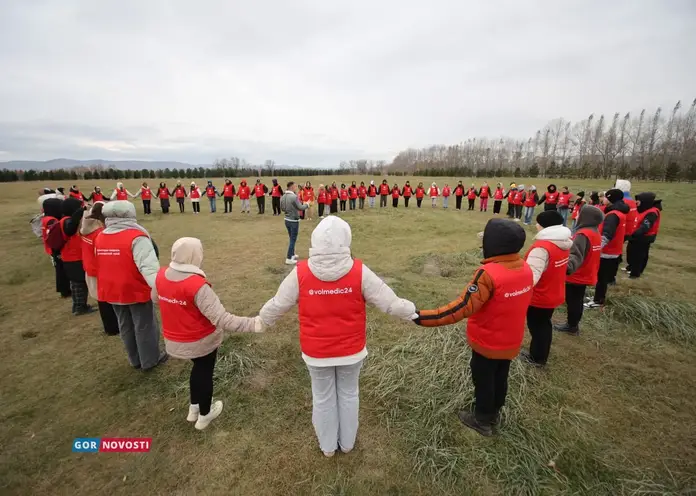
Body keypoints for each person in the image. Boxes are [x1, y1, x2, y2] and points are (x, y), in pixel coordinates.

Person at [259, 216, 417, 456]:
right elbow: (391, 303)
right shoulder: (359, 271)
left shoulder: (299, 273)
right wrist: (413, 312)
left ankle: (328, 447)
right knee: (348, 393)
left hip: (316, 352)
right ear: (347, 239)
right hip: (351, 351)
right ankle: (347, 443)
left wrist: (262, 319)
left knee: (322, 398)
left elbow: (278, 303)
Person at [413, 219, 533, 436]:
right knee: (500, 375)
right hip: (511, 340)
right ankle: (495, 410)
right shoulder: (525, 267)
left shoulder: (488, 274)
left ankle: (482, 419)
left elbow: (461, 308)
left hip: (487, 342)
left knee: (484, 379)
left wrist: (421, 317)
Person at [157, 237, 263, 430]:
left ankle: (194, 408)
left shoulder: (161, 275)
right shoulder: (196, 286)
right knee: (204, 372)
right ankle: (205, 414)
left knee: (197, 369)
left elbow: (156, 298)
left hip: (174, 338)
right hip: (200, 340)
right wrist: (254, 324)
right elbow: (222, 319)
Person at [95, 201, 167, 371]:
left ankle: (134, 359)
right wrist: (161, 290)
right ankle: (150, 360)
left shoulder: (101, 236)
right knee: (144, 324)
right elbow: (149, 268)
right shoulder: (136, 237)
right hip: (134, 289)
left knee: (125, 324)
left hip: (111, 289)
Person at [519, 211, 572, 367]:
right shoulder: (564, 242)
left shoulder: (542, 248)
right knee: (544, 324)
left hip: (540, 296)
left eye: (538, 222)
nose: (536, 225)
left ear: (543, 225)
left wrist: (518, 290)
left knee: (537, 327)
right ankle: (540, 354)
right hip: (554, 291)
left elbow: (532, 276)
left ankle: (537, 358)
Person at [555, 205, 603, 335]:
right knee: (578, 300)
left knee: (573, 301)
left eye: (580, 214)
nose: (576, 215)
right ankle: (573, 324)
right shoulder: (595, 232)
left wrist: (566, 268)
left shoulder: (583, 234)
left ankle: (571, 326)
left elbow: (576, 255)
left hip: (578, 275)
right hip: (587, 272)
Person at [47, 198, 93, 315]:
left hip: (74, 257)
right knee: (78, 283)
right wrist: (82, 210)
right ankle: (79, 307)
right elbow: (71, 228)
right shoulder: (67, 221)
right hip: (73, 257)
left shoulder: (66, 220)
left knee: (78, 283)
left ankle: (80, 305)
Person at [585, 189, 629, 309]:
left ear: (611, 199)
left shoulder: (613, 215)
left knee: (602, 278)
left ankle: (598, 301)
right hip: (613, 250)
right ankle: (597, 296)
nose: (603, 199)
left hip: (607, 252)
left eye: (605, 197)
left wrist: (595, 248)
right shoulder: (619, 213)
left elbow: (607, 235)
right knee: (601, 277)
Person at [80, 202, 119, 335]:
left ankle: (109, 326)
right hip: (100, 270)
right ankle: (112, 328)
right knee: (106, 300)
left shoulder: (86, 229)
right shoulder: (99, 233)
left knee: (101, 299)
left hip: (90, 268)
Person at [626, 192, 662, 279]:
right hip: (635, 236)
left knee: (640, 255)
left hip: (644, 238)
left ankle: (635, 273)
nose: (636, 202)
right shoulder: (641, 209)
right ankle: (631, 267)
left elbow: (645, 227)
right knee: (631, 252)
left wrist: (634, 233)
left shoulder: (652, 213)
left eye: (638, 201)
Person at [42, 198, 71, 298]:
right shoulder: (52, 220)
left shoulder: (46, 218)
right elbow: (56, 236)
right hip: (56, 248)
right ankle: (65, 290)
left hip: (51, 247)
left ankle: (64, 289)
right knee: (61, 270)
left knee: (59, 269)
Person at [281, 182, 309, 265]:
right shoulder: (293, 197)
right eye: (295, 186)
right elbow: (300, 207)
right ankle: (289, 258)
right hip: (293, 221)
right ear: (292, 187)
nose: (296, 188)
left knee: (291, 238)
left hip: (286, 219)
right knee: (293, 239)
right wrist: (307, 204)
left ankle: (292, 254)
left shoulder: (283, 196)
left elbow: (282, 208)